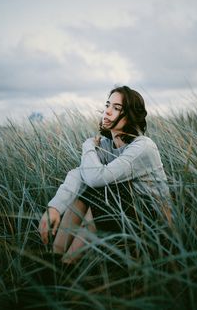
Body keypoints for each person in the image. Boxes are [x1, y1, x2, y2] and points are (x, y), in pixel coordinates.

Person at [39, 86, 171, 264]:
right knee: (87, 190)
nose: (107, 112)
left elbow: (96, 179)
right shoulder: (107, 146)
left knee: (102, 192)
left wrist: (88, 146)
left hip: (154, 229)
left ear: (131, 115)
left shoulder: (143, 147)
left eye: (116, 108)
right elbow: (79, 174)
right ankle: (54, 260)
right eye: (107, 105)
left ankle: (67, 265)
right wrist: (53, 208)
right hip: (126, 216)